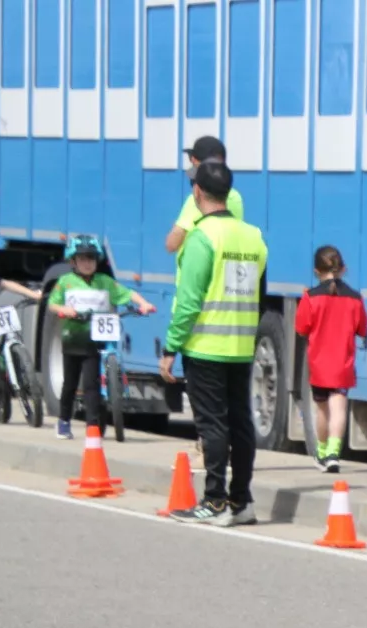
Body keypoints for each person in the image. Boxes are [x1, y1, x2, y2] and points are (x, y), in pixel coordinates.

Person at [160, 161, 269, 527]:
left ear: (198, 193)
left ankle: (215, 501)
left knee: (213, 426)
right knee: (241, 423)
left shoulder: (201, 238)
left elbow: (189, 301)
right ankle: (242, 500)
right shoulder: (254, 236)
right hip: (241, 347)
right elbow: (259, 294)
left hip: (206, 346)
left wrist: (170, 347)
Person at [46, 235, 156, 440]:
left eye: (91, 259)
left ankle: (93, 426)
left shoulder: (104, 282)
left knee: (91, 385)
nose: (87, 263)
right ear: (73, 261)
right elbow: (52, 304)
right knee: (70, 384)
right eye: (82, 259)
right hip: (73, 340)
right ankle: (63, 421)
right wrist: (65, 310)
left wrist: (143, 303)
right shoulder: (65, 282)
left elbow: (126, 293)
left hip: (95, 342)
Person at [295, 246, 367, 474]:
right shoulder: (355, 299)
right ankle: (334, 454)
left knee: (322, 411)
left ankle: (321, 451)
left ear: (317, 271)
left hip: (319, 365)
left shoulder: (311, 297)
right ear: (343, 269)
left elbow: (301, 328)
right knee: (339, 408)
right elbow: (362, 329)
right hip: (343, 364)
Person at [165, 136, 245, 254]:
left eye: (193, 159)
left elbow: (172, 244)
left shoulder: (198, 199)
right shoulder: (236, 197)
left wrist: (177, 226)